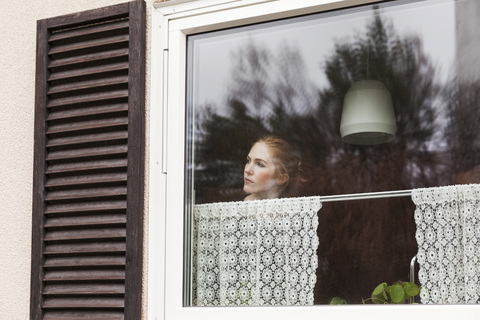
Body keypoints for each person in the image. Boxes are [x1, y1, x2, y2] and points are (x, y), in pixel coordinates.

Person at [243, 135, 304, 201]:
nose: (247, 170)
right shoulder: (235, 207)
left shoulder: (292, 209)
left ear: (281, 178)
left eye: (260, 164)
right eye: (248, 161)